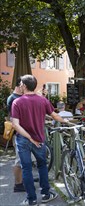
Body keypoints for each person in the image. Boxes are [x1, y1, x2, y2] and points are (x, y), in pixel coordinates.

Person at [11, 75, 69, 205]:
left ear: (25, 86)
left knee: (26, 169)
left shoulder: (17, 102)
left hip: (23, 139)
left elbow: (15, 124)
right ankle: (45, 194)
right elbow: (54, 116)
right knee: (42, 166)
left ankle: (31, 200)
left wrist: (29, 138)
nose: (20, 85)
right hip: (39, 139)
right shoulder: (42, 100)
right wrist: (66, 122)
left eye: (21, 83)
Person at [7, 77, 24, 192]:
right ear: (20, 85)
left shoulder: (19, 97)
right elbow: (13, 118)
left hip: (21, 132)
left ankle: (21, 181)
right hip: (18, 132)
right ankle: (18, 185)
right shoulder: (13, 98)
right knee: (19, 160)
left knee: (22, 159)